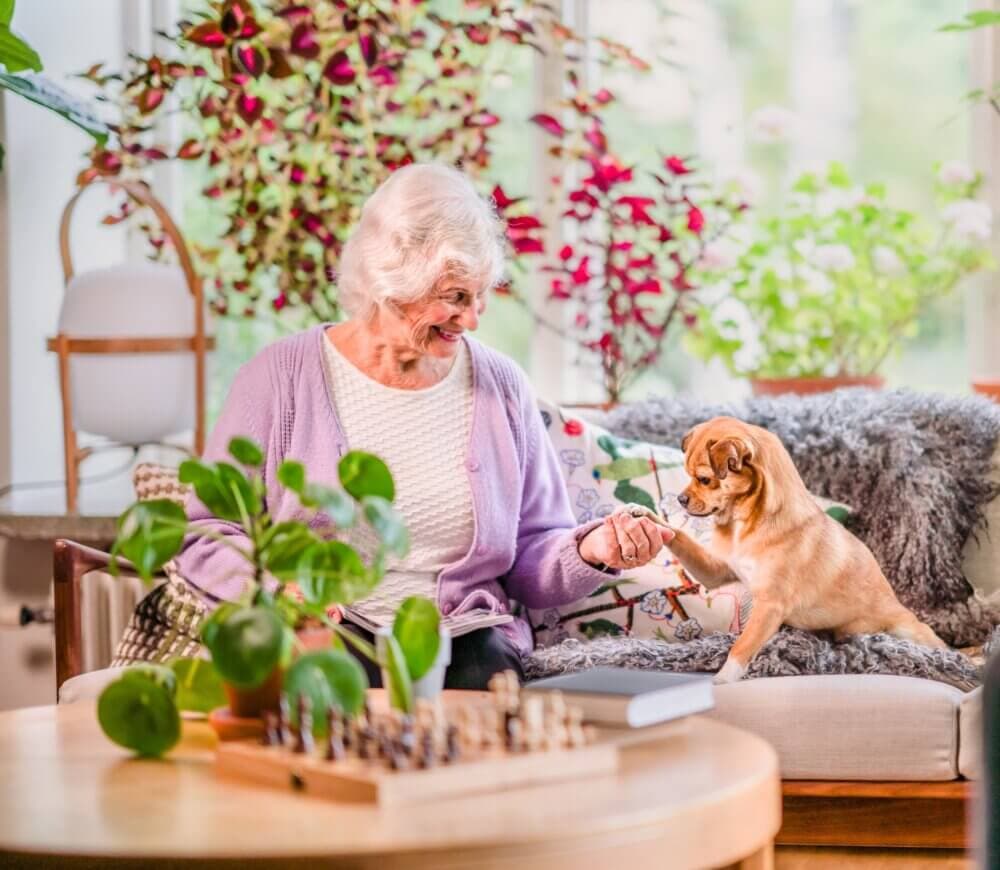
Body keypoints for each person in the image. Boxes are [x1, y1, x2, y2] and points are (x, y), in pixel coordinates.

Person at [113, 163, 673, 688]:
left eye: (480, 296)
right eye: (455, 297)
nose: (473, 319)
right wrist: (272, 594)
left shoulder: (501, 386)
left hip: (462, 642)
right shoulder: (278, 379)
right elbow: (206, 532)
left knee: (484, 700)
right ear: (391, 279)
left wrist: (593, 548)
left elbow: (533, 554)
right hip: (315, 632)